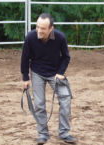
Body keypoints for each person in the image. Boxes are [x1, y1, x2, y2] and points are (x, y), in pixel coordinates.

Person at [21, 13, 78, 144]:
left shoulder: (60, 37)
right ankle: (42, 134)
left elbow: (66, 56)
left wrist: (60, 72)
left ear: (51, 28)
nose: (39, 30)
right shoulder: (30, 37)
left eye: (43, 28)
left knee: (65, 99)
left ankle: (63, 132)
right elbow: (25, 58)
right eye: (37, 27)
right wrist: (25, 77)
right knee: (39, 104)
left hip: (55, 73)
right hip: (37, 73)